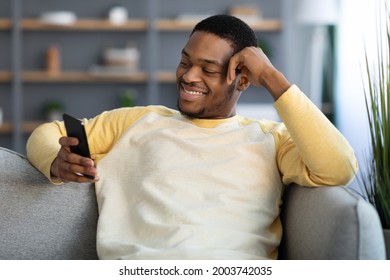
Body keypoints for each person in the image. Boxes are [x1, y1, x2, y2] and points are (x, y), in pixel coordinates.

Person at [27, 14, 358, 260]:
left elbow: (338, 168)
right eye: (185, 62)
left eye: (208, 69)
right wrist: (55, 162)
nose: (188, 76)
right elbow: (48, 132)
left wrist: (272, 78)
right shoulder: (137, 120)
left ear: (242, 80)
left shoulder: (271, 139)